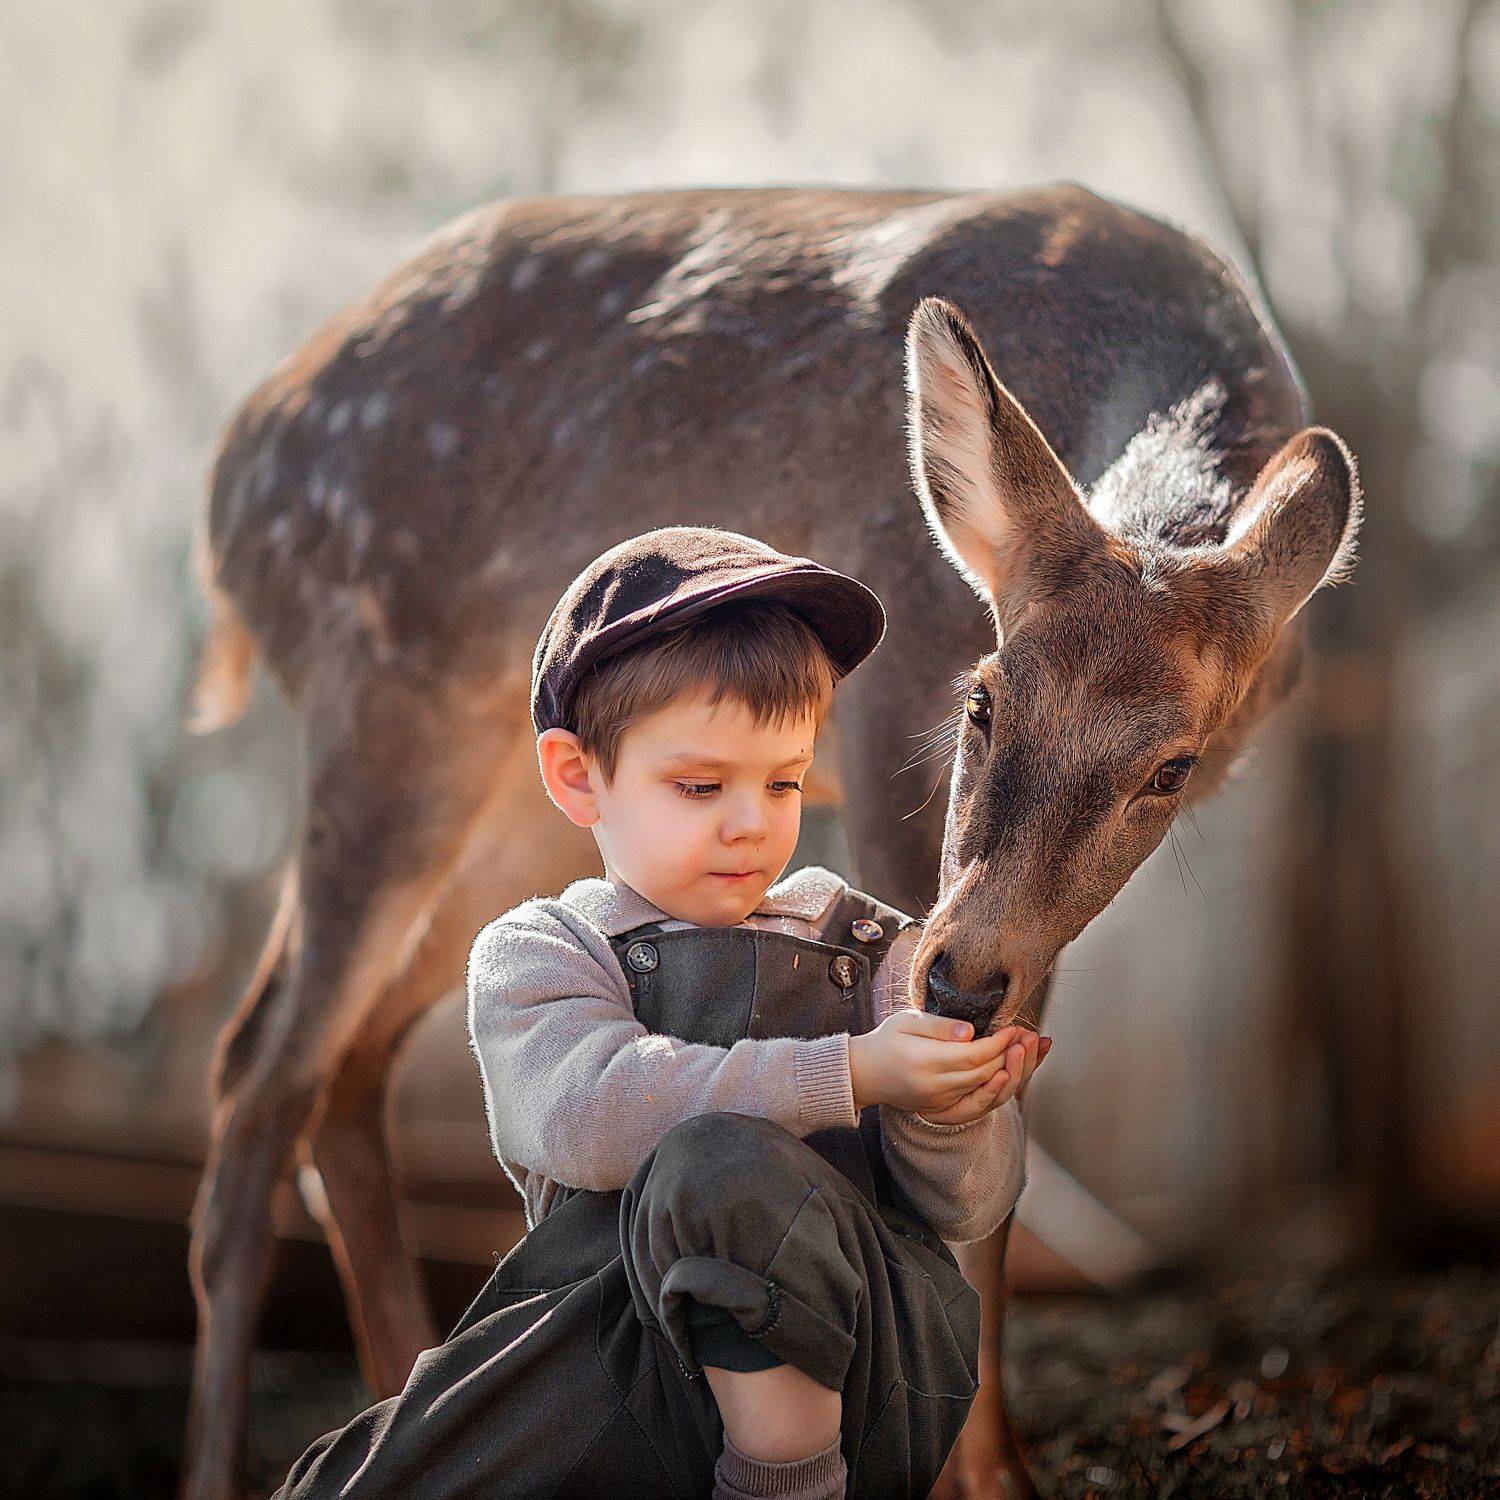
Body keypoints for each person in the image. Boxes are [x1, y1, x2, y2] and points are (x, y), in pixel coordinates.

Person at [273, 525, 1050, 1500]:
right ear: (575, 777)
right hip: (614, 1362)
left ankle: (787, 1480)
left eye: (784, 781)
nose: (752, 822)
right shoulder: (541, 956)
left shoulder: (866, 948)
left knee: (720, 1165)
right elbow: (592, 1117)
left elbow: (967, 1206)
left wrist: (955, 1106)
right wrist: (852, 1074)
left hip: (871, 1363)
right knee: (342, 1484)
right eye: (700, 786)